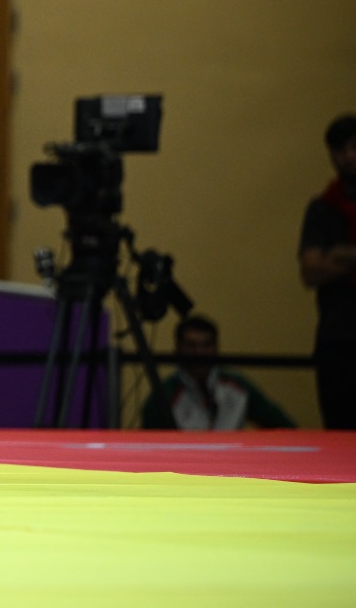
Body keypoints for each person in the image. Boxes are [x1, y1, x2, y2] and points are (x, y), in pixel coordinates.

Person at [139, 315, 295, 430]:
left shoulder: (238, 388)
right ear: (177, 349)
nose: (199, 352)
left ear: (217, 347)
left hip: (233, 469)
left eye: (207, 345)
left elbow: (285, 428)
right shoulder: (163, 396)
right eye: (191, 345)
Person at [299, 113, 356, 429]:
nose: (348, 157)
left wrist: (342, 255)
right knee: (340, 429)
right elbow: (310, 271)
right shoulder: (322, 208)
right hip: (339, 337)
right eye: (340, 150)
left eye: (355, 147)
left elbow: (324, 263)